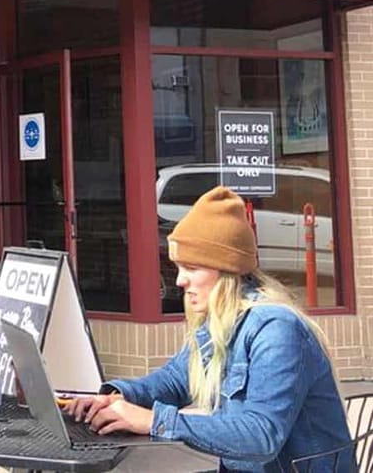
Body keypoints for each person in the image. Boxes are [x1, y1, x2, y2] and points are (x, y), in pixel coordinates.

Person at [66, 186, 353, 473]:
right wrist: (116, 397)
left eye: (191, 268)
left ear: (226, 270)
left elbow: (260, 435)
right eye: (178, 267)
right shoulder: (217, 323)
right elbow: (176, 380)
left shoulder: (277, 329)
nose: (180, 281)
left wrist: (154, 420)